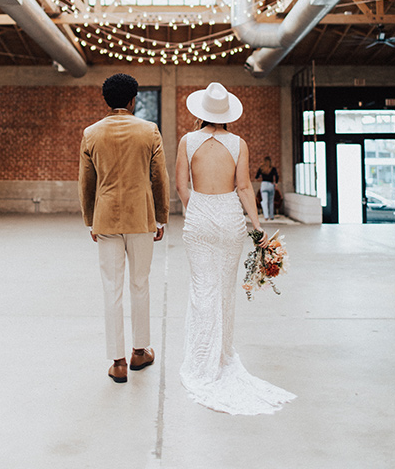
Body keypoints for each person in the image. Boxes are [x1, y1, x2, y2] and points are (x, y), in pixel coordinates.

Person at [175, 82, 296, 415]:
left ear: (200, 111)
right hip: (229, 219)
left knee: (203, 290)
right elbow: (244, 187)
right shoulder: (238, 143)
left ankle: (201, 362)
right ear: (227, 114)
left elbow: (181, 185)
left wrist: (196, 208)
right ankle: (220, 356)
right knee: (225, 291)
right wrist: (257, 227)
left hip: (199, 219)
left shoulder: (187, 141)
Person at [79, 73, 170, 384]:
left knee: (111, 287)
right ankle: (139, 351)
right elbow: (159, 178)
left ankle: (117, 362)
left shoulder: (91, 133)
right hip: (141, 217)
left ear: (108, 100)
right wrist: (162, 217)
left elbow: (86, 183)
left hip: (105, 218)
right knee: (140, 283)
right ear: (134, 100)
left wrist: (90, 220)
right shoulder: (149, 131)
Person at [256, 156, 279, 220]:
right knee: (271, 201)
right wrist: (276, 183)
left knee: (264, 201)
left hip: (264, 184)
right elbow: (276, 176)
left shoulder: (262, 168)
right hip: (271, 185)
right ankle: (271, 216)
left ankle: (266, 216)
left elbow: (256, 176)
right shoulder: (273, 168)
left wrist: (260, 175)